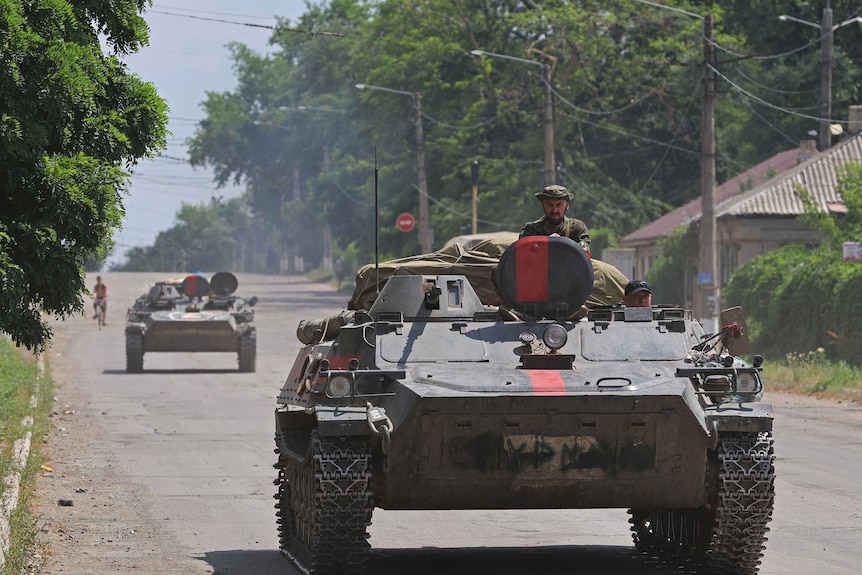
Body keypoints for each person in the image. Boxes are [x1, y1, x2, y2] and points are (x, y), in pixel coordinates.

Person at [519, 184, 591, 254]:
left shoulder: (577, 228)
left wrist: (561, 244)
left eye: (559, 204)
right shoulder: (530, 230)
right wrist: (546, 243)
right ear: (543, 205)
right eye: (549, 205)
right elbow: (522, 255)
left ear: (567, 205)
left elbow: (584, 255)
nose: (554, 210)